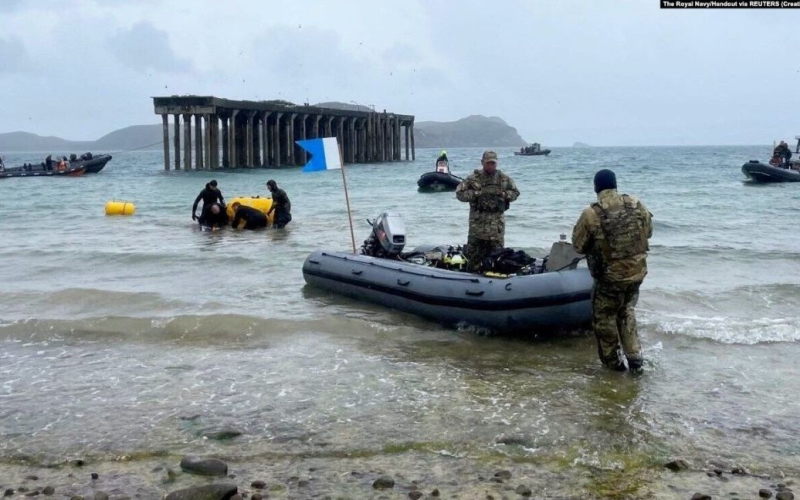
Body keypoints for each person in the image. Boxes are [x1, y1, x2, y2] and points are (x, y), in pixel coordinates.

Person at [572, 169, 653, 374]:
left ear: (596, 187)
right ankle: (635, 358)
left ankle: (613, 365)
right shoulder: (636, 203)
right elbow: (648, 231)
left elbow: (578, 246)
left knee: (604, 316)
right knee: (626, 309)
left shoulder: (592, 213)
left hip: (610, 278)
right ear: (615, 185)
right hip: (637, 273)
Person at [455, 150, 520, 272]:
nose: (491, 166)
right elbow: (460, 194)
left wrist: (504, 194)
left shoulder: (504, 179)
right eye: (488, 163)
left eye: (493, 163)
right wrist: (476, 193)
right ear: (482, 162)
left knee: (497, 258)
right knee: (473, 259)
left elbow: (515, 193)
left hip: (496, 228)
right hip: (477, 227)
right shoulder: (472, 179)